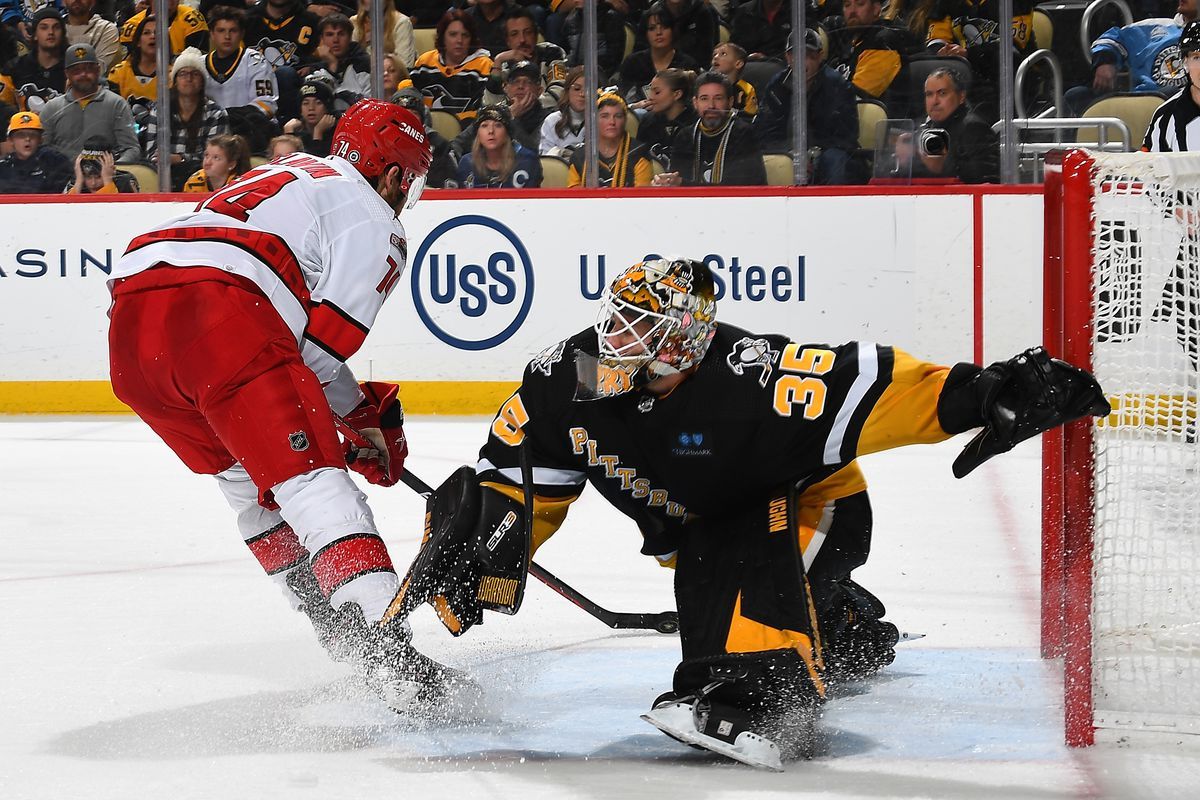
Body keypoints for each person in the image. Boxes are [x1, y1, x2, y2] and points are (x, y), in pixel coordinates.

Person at [389, 256, 1109, 768]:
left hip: (810, 510)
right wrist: (491, 546)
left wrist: (985, 393)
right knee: (711, 555)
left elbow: (875, 384)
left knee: (729, 550)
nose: (615, 339)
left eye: (642, 329)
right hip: (699, 530)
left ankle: (764, 700)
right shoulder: (565, 378)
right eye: (618, 319)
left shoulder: (751, 380)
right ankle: (844, 626)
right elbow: (526, 471)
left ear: (686, 340)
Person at [107, 99, 468, 715]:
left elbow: (296, 354)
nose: (405, 194)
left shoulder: (296, 168)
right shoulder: (374, 217)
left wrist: (354, 419)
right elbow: (319, 358)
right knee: (313, 482)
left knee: (249, 486)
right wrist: (359, 426)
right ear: (394, 174)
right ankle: (391, 657)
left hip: (132, 321)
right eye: (408, 180)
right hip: (219, 310)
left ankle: (337, 626)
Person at [757, 29, 861, 185]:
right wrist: (792, 155)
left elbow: (847, 136)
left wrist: (813, 154)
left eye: (808, 56)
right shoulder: (777, 86)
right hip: (789, 154)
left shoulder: (837, 85)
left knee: (835, 160)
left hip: (826, 154)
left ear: (820, 56)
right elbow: (765, 132)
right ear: (788, 57)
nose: (802, 62)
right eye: (796, 55)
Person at [924, 0, 1038, 122]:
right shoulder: (944, 4)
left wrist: (968, 53)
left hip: (1009, 79)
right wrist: (943, 51)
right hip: (967, 77)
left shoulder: (1015, 3)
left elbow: (1012, 46)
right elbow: (935, 40)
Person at [654, 70, 766, 186]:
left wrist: (682, 184)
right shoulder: (686, 136)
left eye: (718, 98)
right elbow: (677, 179)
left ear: (730, 102)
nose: (711, 106)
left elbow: (737, 189)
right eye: (704, 99)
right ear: (695, 103)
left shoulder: (744, 133)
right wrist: (667, 182)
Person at [1066, 15, 1191, 117]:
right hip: (1143, 98)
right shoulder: (1155, 26)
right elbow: (1111, 40)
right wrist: (1105, 62)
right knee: (1076, 96)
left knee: (1176, 95)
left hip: (1184, 103)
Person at [145, 47, 232, 191]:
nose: (189, 79)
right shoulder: (160, 111)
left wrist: (180, 158)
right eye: (183, 74)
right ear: (175, 80)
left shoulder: (216, 113)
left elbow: (217, 158)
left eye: (195, 74)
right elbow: (151, 153)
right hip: (163, 177)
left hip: (203, 179)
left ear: (203, 80)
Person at [893, 67, 999, 183]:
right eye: (929, 94)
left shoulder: (974, 128)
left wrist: (942, 168)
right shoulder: (923, 130)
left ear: (961, 96)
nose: (935, 101)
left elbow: (989, 184)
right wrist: (903, 163)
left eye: (942, 93)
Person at [40, 43, 141, 163]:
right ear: (67, 74)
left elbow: (131, 148)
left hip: (105, 177)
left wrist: (115, 169)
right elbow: (42, 150)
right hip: (61, 178)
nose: (83, 74)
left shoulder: (116, 104)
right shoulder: (52, 108)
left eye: (88, 68)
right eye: (76, 70)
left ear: (98, 70)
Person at [823, 0, 921, 117]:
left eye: (860, 4)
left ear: (876, 9)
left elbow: (854, 99)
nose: (852, 11)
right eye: (847, 5)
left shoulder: (883, 43)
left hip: (884, 130)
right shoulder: (850, 47)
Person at [205, 6, 279, 153]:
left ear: (242, 34)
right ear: (212, 34)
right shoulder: (199, 65)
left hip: (249, 133)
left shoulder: (255, 61)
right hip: (211, 134)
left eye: (233, 31)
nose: (227, 36)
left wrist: (228, 116)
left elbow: (267, 105)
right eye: (221, 31)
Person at [409, 9, 494, 122]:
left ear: (471, 39)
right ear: (443, 37)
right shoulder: (425, 62)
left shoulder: (484, 65)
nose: (459, 40)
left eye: (465, 35)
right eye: (453, 34)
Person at [451, 58, 546, 156]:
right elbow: (458, 144)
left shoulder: (547, 118)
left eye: (528, 82)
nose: (520, 86)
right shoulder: (492, 113)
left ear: (539, 90)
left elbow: (533, 153)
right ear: (506, 88)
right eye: (515, 81)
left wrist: (511, 119)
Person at [618, 4, 700, 105]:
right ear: (646, 33)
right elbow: (622, 99)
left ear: (673, 30)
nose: (658, 32)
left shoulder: (687, 64)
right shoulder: (633, 63)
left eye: (664, 27)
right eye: (652, 28)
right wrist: (636, 106)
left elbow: (692, 103)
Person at [567, 91, 654, 187]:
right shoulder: (579, 157)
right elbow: (575, 197)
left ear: (625, 120)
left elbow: (642, 197)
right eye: (605, 116)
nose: (612, 122)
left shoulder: (639, 153)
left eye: (618, 116)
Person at [456, 102, 541, 187]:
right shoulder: (467, 163)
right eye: (484, 126)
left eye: (498, 125)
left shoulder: (527, 161)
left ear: (507, 133)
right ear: (477, 133)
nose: (491, 131)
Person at [393, 84, 459, 187]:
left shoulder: (439, 146)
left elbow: (448, 187)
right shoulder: (380, 143)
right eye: (403, 113)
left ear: (423, 120)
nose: (408, 119)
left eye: (414, 113)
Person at [631, 67, 697, 165]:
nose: (651, 97)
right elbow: (638, 160)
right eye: (650, 91)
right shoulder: (648, 120)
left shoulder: (695, 122)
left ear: (677, 94)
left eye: (657, 92)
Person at [0, 109, 73, 193]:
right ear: (10, 140)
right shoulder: (3, 167)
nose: (27, 139)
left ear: (40, 139)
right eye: (21, 135)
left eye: (33, 135)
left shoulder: (55, 162)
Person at [10, 7, 68, 106]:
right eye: (44, 27)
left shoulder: (72, 68)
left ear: (62, 34)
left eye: (56, 27)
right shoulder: (15, 68)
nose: (51, 32)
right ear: (35, 34)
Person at [315, 12, 371, 104]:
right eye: (330, 34)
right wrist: (332, 66)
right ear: (322, 39)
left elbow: (370, 102)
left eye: (341, 34)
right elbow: (317, 102)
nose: (335, 40)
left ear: (349, 37)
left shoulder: (364, 64)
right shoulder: (315, 67)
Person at [119, 0, 209, 56]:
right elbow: (129, 66)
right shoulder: (132, 26)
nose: (169, 2)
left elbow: (197, 62)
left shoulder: (192, 19)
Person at [106, 13, 158, 104]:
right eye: (146, 33)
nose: (153, 36)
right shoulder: (119, 73)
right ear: (138, 42)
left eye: (157, 33)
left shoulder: (172, 74)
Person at [351, 0, 415, 69]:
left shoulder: (401, 23)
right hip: (359, 77)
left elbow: (405, 65)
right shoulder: (354, 22)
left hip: (390, 77)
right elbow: (349, 62)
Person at [65, 134, 140, 193]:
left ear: (112, 169)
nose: (93, 183)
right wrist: (78, 183)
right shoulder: (77, 183)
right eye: (88, 177)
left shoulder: (125, 182)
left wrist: (107, 180)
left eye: (99, 177)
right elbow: (65, 210)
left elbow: (117, 211)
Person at [538, 63, 585, 155]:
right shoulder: (552, 121)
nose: (582, 94)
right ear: (567, 91)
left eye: (588, 90)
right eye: (577, 89)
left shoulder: (601, 120)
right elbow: (546, 161)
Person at [283, 77, 337, 156]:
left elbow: (316, 166)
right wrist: (289, 133)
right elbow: (289, 163)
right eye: (305, 103)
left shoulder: (337, 134)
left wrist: (318, 132)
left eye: (318, 103)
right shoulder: (297, 132)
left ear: (327, 108)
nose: (311, 108)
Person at [64, 0, 120, 75]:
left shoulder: (107, 29)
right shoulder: (54, 27)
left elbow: (100, 68)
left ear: (93, 2)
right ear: (63, 2)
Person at [182, 131, 251, 191]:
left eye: (216, 158)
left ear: (231, 165)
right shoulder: (194, 182)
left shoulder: (239, 186)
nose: (208, 162)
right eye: (206, 155)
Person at [711, 41, 757, 118]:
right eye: (714, 54)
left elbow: (750, 116)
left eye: (723, 54)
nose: (716, 57)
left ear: (738, 64)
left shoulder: (746, 89)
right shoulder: (707, 87)